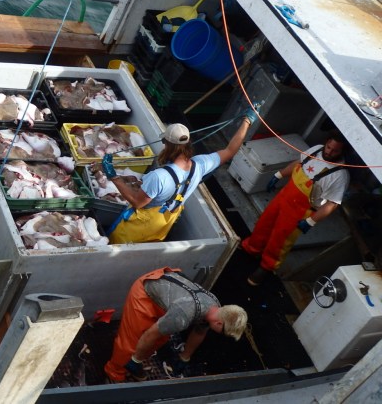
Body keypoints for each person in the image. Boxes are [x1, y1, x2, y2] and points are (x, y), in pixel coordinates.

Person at [103, 106, 259, 244]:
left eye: (165, 143)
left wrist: (113, 176)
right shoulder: (200, 164)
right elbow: (230, 151)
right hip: (162, 225)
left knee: (116, 242)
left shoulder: (158, 176)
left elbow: (137, 203)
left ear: (168, 145)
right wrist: (247, 121)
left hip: (137, 227)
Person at [241, 130, 350, 286]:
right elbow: (298, 164)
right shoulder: (316, 149)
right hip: (284, 197)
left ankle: (266, 266)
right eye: (328, 147)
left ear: (342, 152)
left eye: (335, 151)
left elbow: (332, 204)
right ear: (326, 143)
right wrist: (279, 175)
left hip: (300, 211)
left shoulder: (340, 175)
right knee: (264, 223)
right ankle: (251, 247)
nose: (329, 152)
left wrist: (311, 221)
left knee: (280, 240)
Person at [104, 267, 248, 383]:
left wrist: (185, 356)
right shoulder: (184, 315)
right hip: (145, 294)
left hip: (168, 299)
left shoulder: (215, 307)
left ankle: (135, 361)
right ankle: (114, 374)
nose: (222, 335)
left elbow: (200, 331)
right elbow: (150, 334)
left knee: (161, 338)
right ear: (218, 323)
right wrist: (135, 359)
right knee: (131, 343)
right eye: (224, 332)